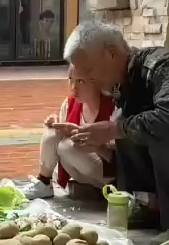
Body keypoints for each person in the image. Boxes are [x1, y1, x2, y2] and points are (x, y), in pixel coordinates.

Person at [63, 20, 169, 245]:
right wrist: (99, 141)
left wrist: (114, 129)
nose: (89, 81)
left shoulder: (164, 65)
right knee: (127, 124)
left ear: (111, 53)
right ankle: (149, 206)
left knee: (151, 128)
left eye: (89, 72)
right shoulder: (122, 84)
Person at [24, 64, 117, 199]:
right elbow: (59, 135)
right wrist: (55, 123)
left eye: (80, 81)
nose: (74, 87)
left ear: (96, 81)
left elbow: (121, 157)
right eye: (70, 80)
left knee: (67, 146)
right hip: (79, 169)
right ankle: (44, 182)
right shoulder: (70, 103)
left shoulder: (113, 107)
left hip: (110, 173)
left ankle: (117, 191)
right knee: (53, 132)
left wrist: (93, 143)